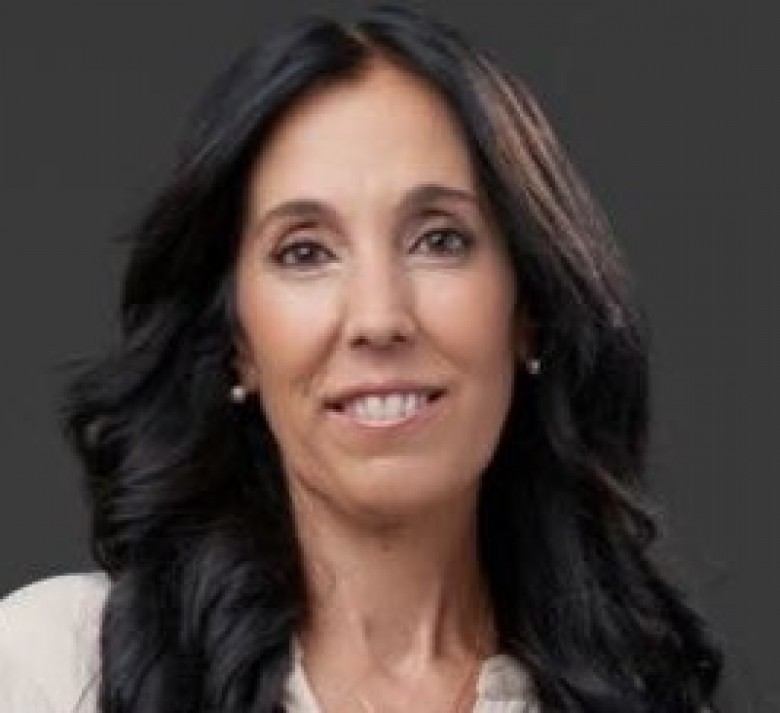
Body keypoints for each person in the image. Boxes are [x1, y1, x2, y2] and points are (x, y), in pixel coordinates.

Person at [0, 3, 723, 712]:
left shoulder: (643, 692)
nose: (378, 318)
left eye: (439, 240)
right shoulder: (54, 670)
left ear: (528, 309)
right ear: (238, 344)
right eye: (305, 252)